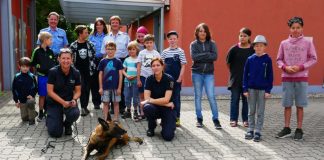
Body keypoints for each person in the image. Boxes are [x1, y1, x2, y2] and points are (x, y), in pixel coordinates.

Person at [276, 17, 317, 140]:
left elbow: (313, 58)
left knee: (300, 105)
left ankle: (299, 129)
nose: (295, 30)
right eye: (293, 27)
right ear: (290, 28)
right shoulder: (284, 43)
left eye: (298, 27)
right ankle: (286, 128)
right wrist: (285, 67)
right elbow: (279, 59)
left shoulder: (308, 42)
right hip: (287, 78)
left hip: (301, 78)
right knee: (287, 104)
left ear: (302, 28)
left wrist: (300, 67)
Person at [190, 23, 222, 129]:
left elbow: (215, 56)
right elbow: (194, 57)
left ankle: (216, 119)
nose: (202, 33)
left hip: (209, 74)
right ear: (197, 32)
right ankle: (199, 119)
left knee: (211, 96)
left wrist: (202, 56)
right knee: (198, 97)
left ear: (207, 32)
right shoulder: (193, 44)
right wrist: (207, 54)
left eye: (204, 31)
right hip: (197, 73)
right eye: (200, 31)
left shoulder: (212, 43)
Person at [243, 35, 273, 142]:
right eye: (257, 46)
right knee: (251, 111)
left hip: (262, 90)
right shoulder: (250, 59)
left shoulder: (268, 59)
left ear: (264, 47)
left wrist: (268, 90)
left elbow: (270, 76)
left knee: (260, 111)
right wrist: (245, 89)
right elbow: (245, 75)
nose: (259, 48)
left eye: (261, 45)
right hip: (251, 89)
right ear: (254, 47)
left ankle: (258, 131)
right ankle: (250, 129)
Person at [46, 48, 81, 138]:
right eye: (63, 58)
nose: (66, 61)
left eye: (68, 58)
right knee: (55, 133)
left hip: (68, 101)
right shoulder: (53, 72)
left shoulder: (76, 73)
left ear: (72, 59)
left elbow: (78, 91)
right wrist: (63, 103)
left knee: (75, 113)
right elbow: (50, 91)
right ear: (59, 59)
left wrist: (74, 99)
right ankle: (51, 118)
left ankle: (67, 124)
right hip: (54, 102)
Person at [101, 15, 130, 114]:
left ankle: (120, 107)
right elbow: (103, 52)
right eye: (113, 22)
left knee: (119, 84)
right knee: (109, 83)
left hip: (121, 62)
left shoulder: (125, 36)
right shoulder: (106, 37)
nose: (114, 24)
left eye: (116, 22)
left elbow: (129, 51)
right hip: (108, 62)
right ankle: (108, 105)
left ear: (119, 24)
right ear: (110, 24)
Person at [226, 28, 254, 127]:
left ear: (249, 37)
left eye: (245, 36)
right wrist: (234, 73)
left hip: (248, 80)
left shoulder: (252, 50)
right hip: (235, 79)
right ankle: (233, 119)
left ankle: (246, 119)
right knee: (234, 100)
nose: (242, 38)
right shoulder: (233, 49)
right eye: (241, 35)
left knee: (246, 101)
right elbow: (228, 63)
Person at [142, 58, 176, 141]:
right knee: (147, 107)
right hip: (155, 108)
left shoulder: (169, 79)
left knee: (168, 137)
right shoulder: (149, 79)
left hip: (167, 109)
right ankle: (151, 126)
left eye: (158, 65)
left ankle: (166, 124)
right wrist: (166, 103)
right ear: (151, 68)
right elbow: (146, 98)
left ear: (162, 66)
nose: (156, 67)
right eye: (153, 66)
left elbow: (166, 99)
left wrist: (152, 100)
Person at [70, 25, 98, 116]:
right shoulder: (73, 45)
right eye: (86, 32)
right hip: (77, 71)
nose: (87, 34)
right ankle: (81, 108)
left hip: (88, 71)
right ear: (80, 33)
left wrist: (93, 69)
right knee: (80, 88)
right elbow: (71, 59)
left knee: (87, 89)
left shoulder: (90, 44)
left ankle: (84, 107)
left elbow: (93, 57)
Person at [161, 31, 187, 127]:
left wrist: (180, 77)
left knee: (176, 99)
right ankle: (165, 118)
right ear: (168, 40)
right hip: (167, 80)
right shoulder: (164, 52)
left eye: (174, 38)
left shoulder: (180, 51)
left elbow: (183, 65)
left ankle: (177, 118)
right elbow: (162, 66)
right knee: (166, 99)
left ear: (177, 39)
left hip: (176, 80)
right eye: (170, 39)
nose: (172, 40)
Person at [31, 31, 57, 122]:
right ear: (45, 40)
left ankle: (48, 111)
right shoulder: (36, 51)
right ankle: (41, 112)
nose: (52, 41)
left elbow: (54, 63)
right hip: (42, 77)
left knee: (50, 95)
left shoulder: (51, 51)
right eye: (50, 39)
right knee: (42, 95)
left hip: (51, 77)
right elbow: (32, 62)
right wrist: (39, 66)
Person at [137, 34, 161, 121]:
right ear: (144, 43)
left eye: (151, 42)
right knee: (142, 95)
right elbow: (139, 66)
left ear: (153, 43)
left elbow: (159, 66)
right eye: (147, 43)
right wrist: (138, 79)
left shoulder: (156, 53)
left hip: (153, 77)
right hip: (143, 76)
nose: (149, 44)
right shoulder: (141, 53)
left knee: (152, 96)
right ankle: (142, 112)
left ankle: (151, 112)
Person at [98, 41, 123, 121]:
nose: (110, 51)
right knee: (105, 103)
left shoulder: (118, 61)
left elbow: (120, 75)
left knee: (116, 103)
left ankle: (115, 119)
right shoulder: (102, 61)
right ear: (105, 50)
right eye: (108, 49)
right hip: (105, 87)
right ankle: (106, 119)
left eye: (112, 49)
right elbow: (100, 75)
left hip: (115, 87)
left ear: (115, 50)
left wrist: (119, 88)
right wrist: (101, 87)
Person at [88, 17, 108, 110]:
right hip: (93, 60)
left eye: (101, 24)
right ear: (95, 26)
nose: (99, 26)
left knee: (105, 80)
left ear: (104, 26)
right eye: (97, 25)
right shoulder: (91, 37)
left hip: (104, 59)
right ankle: (96, 102)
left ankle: (106, 100)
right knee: (94, 82)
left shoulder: (107, 36)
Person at [12, 57, 38, 125]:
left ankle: (32, 120)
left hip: (30, 98)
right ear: (19, 66)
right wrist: (16, 101)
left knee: (30, 102)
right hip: (21, 100)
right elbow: (14, 89)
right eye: (23, 66)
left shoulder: (32, 76)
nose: (25, 68)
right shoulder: (17, 77)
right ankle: (34, 113)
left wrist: (32, 95)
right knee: (24, 118)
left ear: (29, 67)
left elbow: (35, 87)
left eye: (27, 66)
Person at [121, 41, 140, 120]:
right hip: (127, 81)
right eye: (129, 50)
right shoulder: (127, 60)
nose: (131, 51)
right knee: (127, 96)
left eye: (133, 49)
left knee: (136, 97)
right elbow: (123, 70)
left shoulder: (139, 59)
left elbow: (140, 70)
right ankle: (128, 110)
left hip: (136, 81)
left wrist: (135, 76)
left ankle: (135, 111)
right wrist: (127, 76)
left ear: (136, 50)